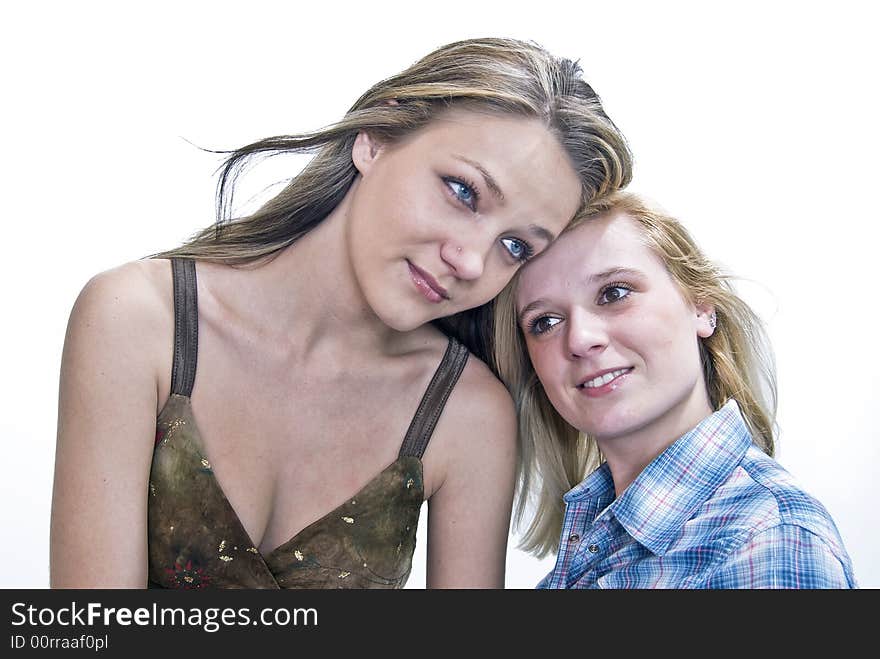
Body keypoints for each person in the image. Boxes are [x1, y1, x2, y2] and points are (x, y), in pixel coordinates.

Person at [49, 38, 633, 589]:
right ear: (375, 137)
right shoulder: (140, 321)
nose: (470, 262)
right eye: (462, 191)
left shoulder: (466, 414)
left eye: (515, 247)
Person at [493, 191, 857, 588]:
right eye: (545, 322)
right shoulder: (600, 541)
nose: (580, 339)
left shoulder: (769, 542)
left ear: (701, 306)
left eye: (614, 293)